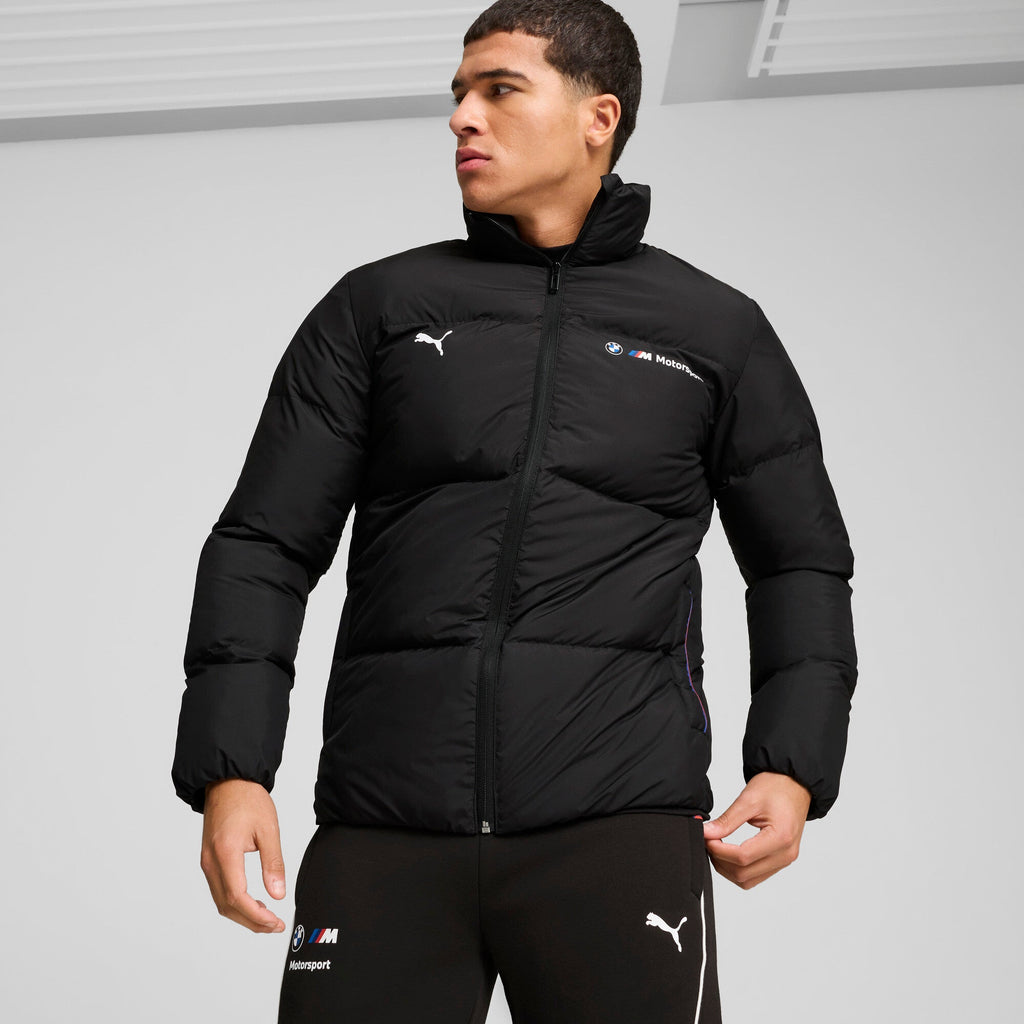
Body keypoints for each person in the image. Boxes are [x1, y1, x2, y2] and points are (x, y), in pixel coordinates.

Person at [171, 1, 858, 1021]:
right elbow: (263, 546)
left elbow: (800, 561)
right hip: (385, 825)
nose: (462, 117)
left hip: (618, 825)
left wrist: (792, 765)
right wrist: (232, 773)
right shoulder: (378, 310)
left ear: (598, 117)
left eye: (499, 90)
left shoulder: (715, 330)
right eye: (459, 94)